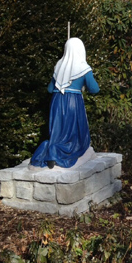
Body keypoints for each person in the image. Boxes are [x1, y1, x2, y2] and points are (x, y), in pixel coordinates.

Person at [30, 37, 99, 169]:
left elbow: (50, 89)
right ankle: (58, 153)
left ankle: (51, 151)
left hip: (57, 102)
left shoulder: (59, 66)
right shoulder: (83, 68)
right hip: (73, 103)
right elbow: (95, 89)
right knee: (73, 134)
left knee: (58, 132)